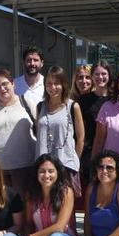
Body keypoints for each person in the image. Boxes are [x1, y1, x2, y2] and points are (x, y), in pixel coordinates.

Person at [0, 69, 37, 200]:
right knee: (2, 205)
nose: (2, 89)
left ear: (12, 83)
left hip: (24, 167)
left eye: (5, 84)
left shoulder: (27, 104)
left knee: (22, 205)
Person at [35, 66, 84, 205]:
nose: (53, 87)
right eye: (49, 83)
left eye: (57, 83)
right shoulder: (40, 107)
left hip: (65, 166)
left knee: (65, 207)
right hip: (43, 168)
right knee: (46, 206)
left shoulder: (73, 106)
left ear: (64, 85)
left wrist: (74, 160)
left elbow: (80, 138)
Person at [77, 61, 112, 192]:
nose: (100, 77)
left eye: (104, 74)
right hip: (90, 154)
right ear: (92, 76)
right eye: (96, 74)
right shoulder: (83, 100)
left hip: (112, 152)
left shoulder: (115, 99)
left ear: (109, 76)